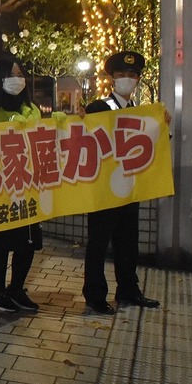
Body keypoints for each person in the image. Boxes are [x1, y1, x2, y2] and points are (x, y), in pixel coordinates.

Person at [82, 50, 161, 314]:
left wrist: (163, 125)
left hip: (129, 191)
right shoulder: (97, 108)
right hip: (102, 192)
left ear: (137, 79)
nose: (126, 79)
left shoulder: (140, 113)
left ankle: (128, 289)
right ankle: (95, 295)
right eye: (121, 75)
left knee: (128, 244)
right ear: (112, 78)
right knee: (98, 245)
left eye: (132, 75)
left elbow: (153, 147)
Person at [0, 56, 43, 313]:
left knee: (27, 241)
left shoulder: (32, 109)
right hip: (1, 188)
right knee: (3, 242)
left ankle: (16, 288)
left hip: (28, 186)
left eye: (20, 74)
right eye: (10, 75)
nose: (17, 80)